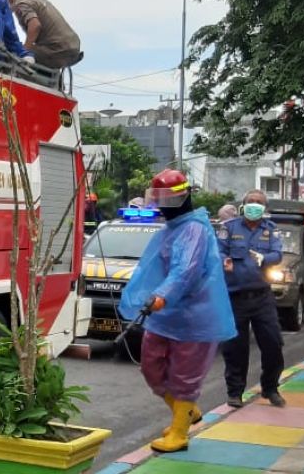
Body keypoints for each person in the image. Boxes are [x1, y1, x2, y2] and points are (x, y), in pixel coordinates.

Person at [120, 169, 236, 454]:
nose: (162, 206)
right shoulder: (171, 229)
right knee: (151, 367)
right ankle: (185, 412)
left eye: (166, 200)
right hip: (166, 314)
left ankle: (180, 432)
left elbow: (186, 271)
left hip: (194, 317)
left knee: (185, 376)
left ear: (183, 197)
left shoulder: (194, 229)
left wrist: (161, 296)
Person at [217, 189, 285, 408]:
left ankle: (270, 388)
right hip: (235, 297)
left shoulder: (271, 230)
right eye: (251, 201)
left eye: (259, 202)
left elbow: (278, 255)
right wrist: (224, 259)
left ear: (265, 208)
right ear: (243, 205)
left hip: (262, 297)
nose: (255, 205)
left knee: (273, 343)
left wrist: (265, 258)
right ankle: (235, 392)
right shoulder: (229, 228)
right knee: (235, 348)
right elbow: (217, 251)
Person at [1, 0, 82, 69]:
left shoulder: (21, 4)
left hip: (59, 49)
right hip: (71, 46)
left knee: (14, 54)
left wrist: (24, 51)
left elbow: (35, 26)